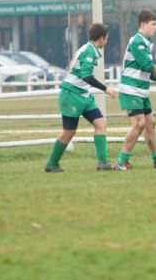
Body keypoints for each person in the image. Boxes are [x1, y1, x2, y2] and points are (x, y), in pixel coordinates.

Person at [44, 23, 118, 173]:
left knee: (100, 123)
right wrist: (106, 89)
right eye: (107, 38)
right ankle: (51, 164)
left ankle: (103, 163)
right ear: (102, 38)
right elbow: (86, 76)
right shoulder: (89, 51)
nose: (107, 41)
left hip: (83, 95)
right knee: (69, 132)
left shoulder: (89, 49)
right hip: (72, 94)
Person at [116, 10, 156, 170]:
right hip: (131, 89)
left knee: (150, 123)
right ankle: (121, 160)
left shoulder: (146, 43)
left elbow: (148, 71)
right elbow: (147, 65)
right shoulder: (137, 41)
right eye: (153, 24)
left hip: (141, 90)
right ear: (143, 25)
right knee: (139, 124)